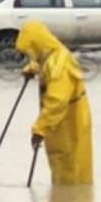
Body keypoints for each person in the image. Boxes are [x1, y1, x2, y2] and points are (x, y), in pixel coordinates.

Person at [16, 20, 93, 185]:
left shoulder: (60, 65)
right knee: (60, 164)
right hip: (61, 124)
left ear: (37, 45)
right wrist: (33, 68)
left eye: (30, 52)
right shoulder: (51, 53)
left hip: (70, 123)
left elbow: (57, 101)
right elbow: (44, 60)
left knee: (70, 167)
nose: (29, 55)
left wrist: (40, 129)